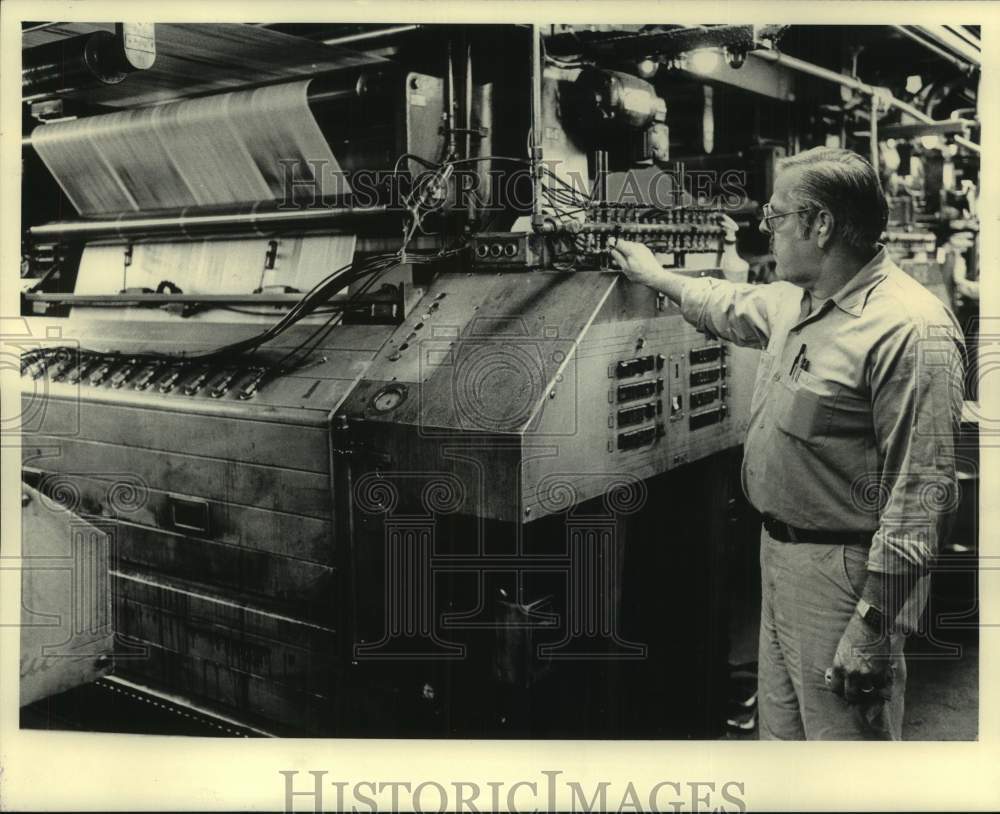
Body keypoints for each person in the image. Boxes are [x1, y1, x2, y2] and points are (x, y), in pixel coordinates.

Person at [610, 147, 965, 740]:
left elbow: (920, 498)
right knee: (782, 745)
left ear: (819, 224)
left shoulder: (908, 328)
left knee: (845, 767)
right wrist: (654, 276)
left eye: (775, 217)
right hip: (778, 554)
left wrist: (874, 627)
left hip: (846, 576)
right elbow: (725, 303)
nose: (765, 229)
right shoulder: (799, 301)